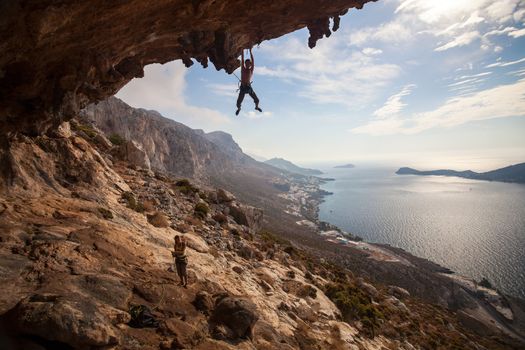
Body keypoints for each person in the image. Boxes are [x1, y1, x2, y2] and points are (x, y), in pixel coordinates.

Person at [236, 48, 262, 116]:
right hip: (243, 87)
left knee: (257, 100)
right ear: (245, 64)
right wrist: (242, 50)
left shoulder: (251, 69)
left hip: (248, 87)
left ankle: (256, 107)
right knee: (238, 103)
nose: (247, 65)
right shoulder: (243, 68)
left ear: (250, 64)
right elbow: (242, 58)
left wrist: (250, 52)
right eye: (246, 63)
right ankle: (239, 109)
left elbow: (253, 61)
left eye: (249, 64)